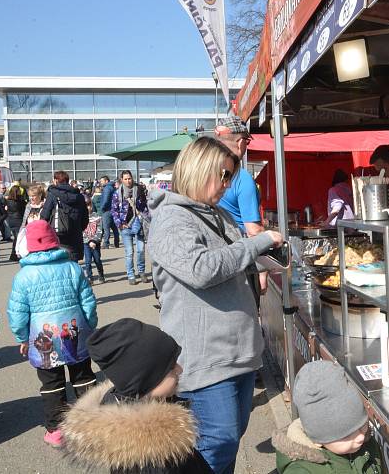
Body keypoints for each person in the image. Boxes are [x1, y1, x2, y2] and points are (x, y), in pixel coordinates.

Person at [147, 136, 284, 474]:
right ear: (198, 169)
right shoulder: (171, 219)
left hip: (237, 353)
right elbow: (201, 270)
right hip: (206, 358)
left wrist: (266, 259)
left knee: (228, 440)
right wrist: (259, 242)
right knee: (215, 443)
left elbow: (234, 260)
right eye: (222, 175)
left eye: (230, 177)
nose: (226, 185)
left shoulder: (216, 213)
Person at [60, 318, 212, 473]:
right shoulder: (153, 457)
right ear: (146, 380)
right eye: (171, 367)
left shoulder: (119, 407)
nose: (179, 369)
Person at [7, 220, 98, 448]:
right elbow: (88, 301)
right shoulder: (71, 267)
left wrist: (21, 337)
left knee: (52, 382)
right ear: (54, 241)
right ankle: (92, 423)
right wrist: (91, 325)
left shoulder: (23, 276)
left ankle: (56, 429)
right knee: (83, 376)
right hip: (74, 330)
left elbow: (17, 312)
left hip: (43, 337)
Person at [272, 360, 383, 474]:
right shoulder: (301, 471)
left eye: (362, 425)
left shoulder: (367, 444)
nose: (360, 436)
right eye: (347, 435)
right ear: (318, 440)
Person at [215, 115, 269, 293]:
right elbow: (253, 231)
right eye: (247, 141)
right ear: (240, 142)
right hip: (242, 262)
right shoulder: (242, 178)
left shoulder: (206, 173)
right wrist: (263, 271)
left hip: (217, 260)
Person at [111, 170, 149, 285]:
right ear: (122, 180)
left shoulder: (139, 190)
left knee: (141, 250)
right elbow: (114, 210)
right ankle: (131, 274)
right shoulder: (117, 193)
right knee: (129, 252)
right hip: (125, 225)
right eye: (126, 179)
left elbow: (144, 207)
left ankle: (141, 271)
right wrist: (119, 224)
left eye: (130, 178)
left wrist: (141, 198)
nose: (128, 181)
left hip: (139, 223)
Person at [41, 171, 89, 261]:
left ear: (55, 181)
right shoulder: (79, 196)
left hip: (58, 233)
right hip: (75, 233)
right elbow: (85, 217)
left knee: (59, 262)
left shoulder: (52, 194)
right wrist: (79, 227)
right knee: (73, 262)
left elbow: (45, 215)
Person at [82, 198, 105, 284]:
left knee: (97, 260)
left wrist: (94, 241)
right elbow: (82, 231)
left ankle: (101, 274)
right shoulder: (81, 218)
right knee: (87, 261)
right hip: (86, 243)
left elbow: (100, 230)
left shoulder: (97, 216)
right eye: (86, 206)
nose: (88, 208)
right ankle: (90, 277)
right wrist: (88, 241)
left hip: (95, 243)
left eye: (89, 205)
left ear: (91, 205)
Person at [5, 184, 28, 262]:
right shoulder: (20, 202)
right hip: (18, 220)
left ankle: (13, 255)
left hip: (11, 221)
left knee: (16, 238)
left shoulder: (8, 201)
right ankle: (16, 254)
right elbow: (24, 211)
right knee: (18, 238)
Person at [98, 176, 120, 248]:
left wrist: (102, 208)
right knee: (114, 227)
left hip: (107, 210)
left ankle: (106, 243)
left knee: (106, 227)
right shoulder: (112, 187)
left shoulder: (107, 188)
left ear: (106, 181)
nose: (101, 182)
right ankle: (116, 242)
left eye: (102, 181)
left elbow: (106, 199)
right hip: (113, 210)